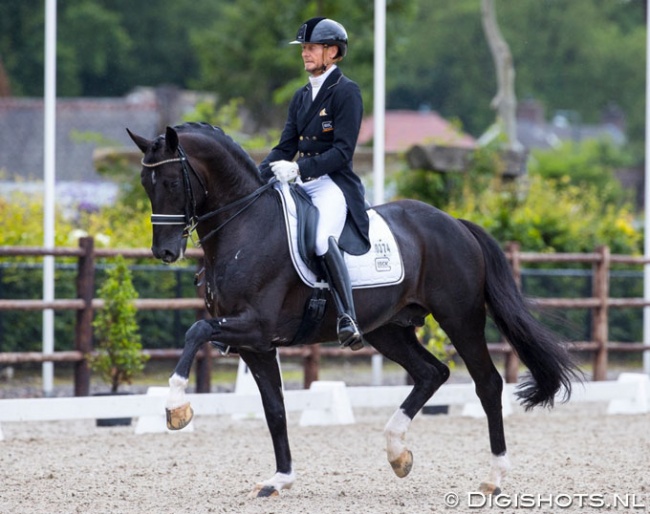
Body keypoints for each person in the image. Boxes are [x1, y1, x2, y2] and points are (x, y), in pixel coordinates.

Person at [259, 17, 370, 350]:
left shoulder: (346, 92)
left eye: (311, 48)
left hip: (334, 183)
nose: (305, 54)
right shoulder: (301, 96)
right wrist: (258, 174)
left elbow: (343, 151)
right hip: (303, 182)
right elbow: (284, 146)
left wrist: (299, 169)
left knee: (321, 238)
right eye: (304, 49)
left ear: (332, 52)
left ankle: (347, 316)